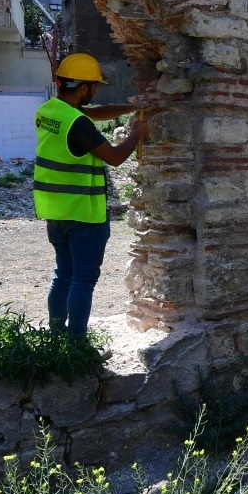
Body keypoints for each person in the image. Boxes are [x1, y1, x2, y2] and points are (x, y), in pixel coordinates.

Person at [33, 53, 147, 338]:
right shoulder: (78, 124)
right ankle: (76, 345)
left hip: (56, 211)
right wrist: (137, 132)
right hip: (84, 213)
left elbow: (93, 113)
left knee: (64, 275)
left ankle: (58, 336)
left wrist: (132, 107)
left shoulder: (49, 111)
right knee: (83, 280)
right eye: (93, 87)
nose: (95, 91)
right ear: (83, 88)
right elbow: (116, 157)